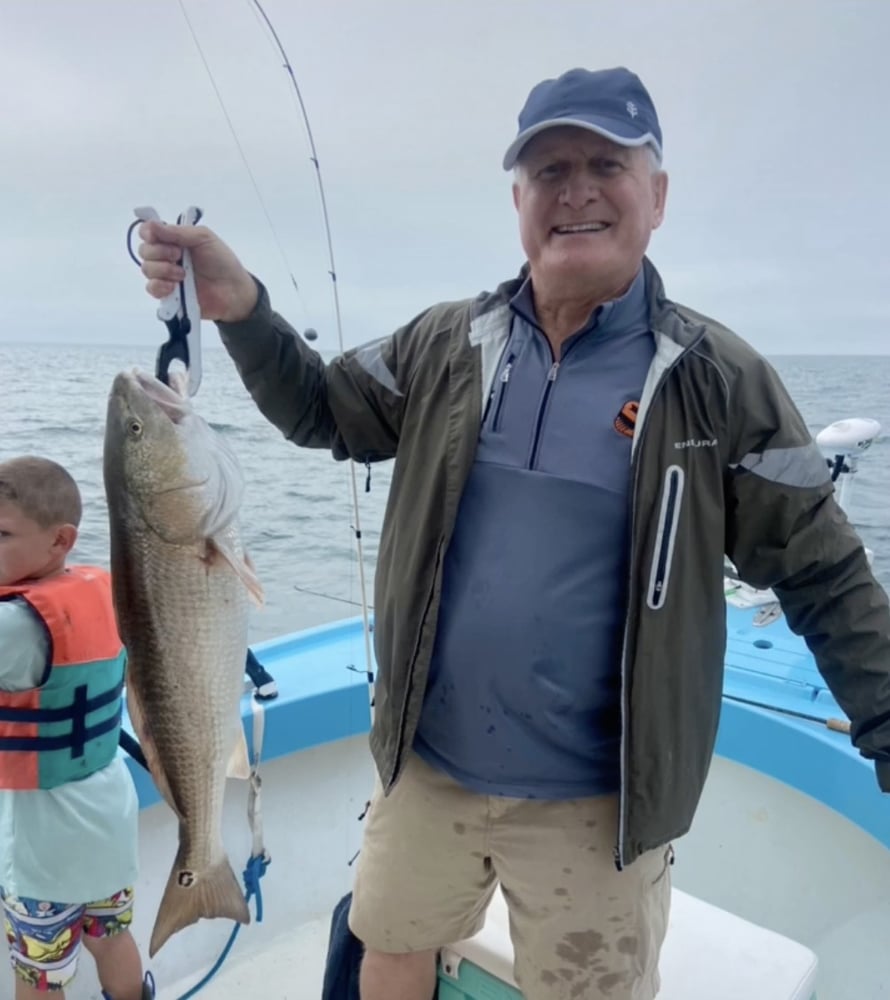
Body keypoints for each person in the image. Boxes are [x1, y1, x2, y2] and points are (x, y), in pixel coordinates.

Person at [137, 66, 890, 1000]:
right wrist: (240, 306)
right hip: (428, 768)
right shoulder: (446, 344)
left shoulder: (721, 379)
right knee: (391, 946)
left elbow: (822, 571)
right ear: (518, 201)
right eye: (548, 169)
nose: (575, 189)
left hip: (601, 804)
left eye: (604, 164)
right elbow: (324, 410)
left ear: (656, 195)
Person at [0, 457, 153, 1000]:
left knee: (38, 974)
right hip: (107, 825)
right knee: (112, 939)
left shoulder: (16, 625)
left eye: (2, 534)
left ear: (59, 540)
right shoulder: (100, 590)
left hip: (43, 852)